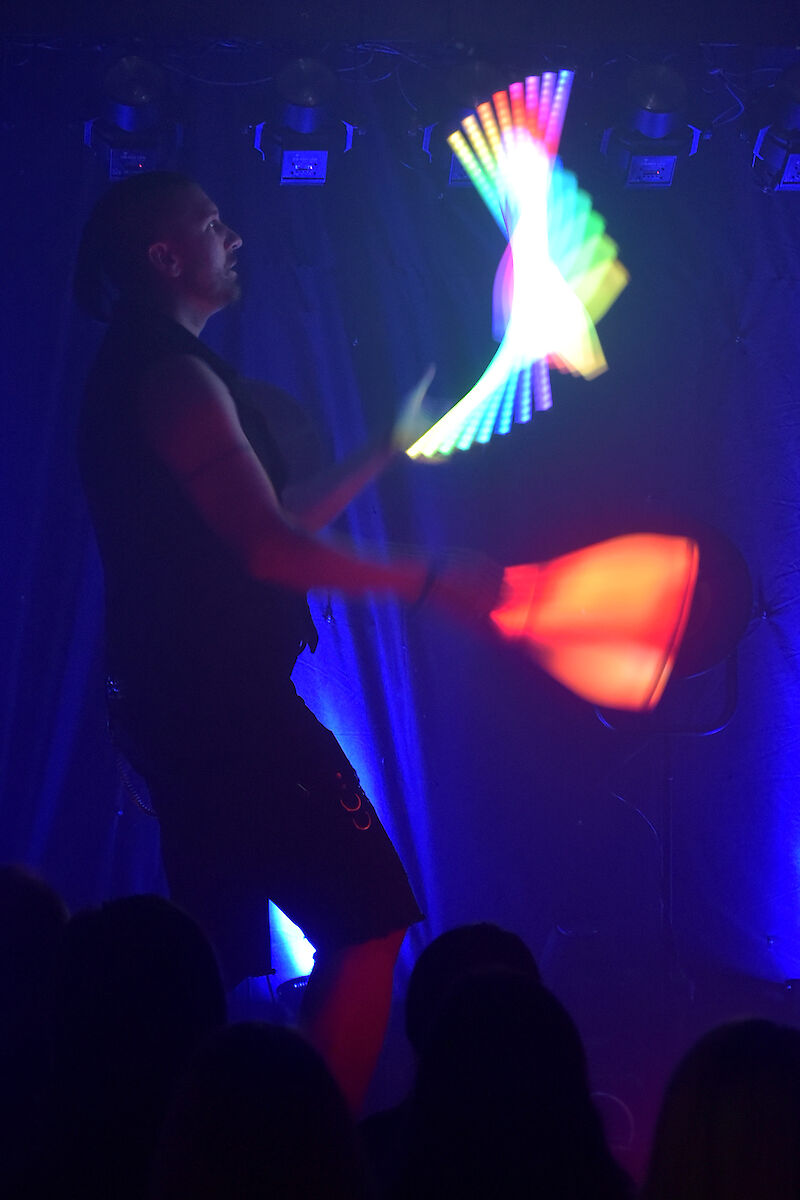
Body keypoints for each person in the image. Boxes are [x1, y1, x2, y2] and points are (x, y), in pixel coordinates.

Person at [74, 170, 502, 1111]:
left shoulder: (153, 369)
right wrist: (430, 577)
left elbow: (270, 514)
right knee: (370, 916)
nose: (233, 236)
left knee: (213, 952)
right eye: (212, 222)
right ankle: (310, 1153)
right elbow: (269, 547)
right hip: (227, 710)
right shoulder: (172, 376)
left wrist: (387, 444)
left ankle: (203, 1149)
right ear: (165, 255)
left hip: (183, 709)